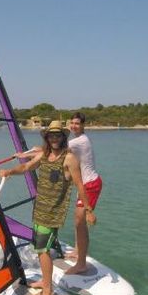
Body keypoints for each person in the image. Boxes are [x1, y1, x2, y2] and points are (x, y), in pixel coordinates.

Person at [0, 120, 96, 295]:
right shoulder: (45, 154)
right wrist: (9, 171)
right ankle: (45, 281)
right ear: (47, 137)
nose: (54, 138)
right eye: (51, 135)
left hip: (52, 213)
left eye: (58, 135)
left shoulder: (69, 158)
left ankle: (48, 292)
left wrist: (88, 210)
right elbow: (26, 167)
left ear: (63, 137)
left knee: (42, 251)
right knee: (40, 248)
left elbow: (80, 185)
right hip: (39, 209)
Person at [63, 111, 102, 275]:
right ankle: (78, 252)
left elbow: (52, 149)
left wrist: (27, 154)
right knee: (78, 221)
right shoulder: (77, 140)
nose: (74, 126)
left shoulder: (80, 141)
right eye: (72, 123)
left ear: (83, 125)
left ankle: (81, 264)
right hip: (85, 185)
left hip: (90, 185)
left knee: (80, 222)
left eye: (77, 123)